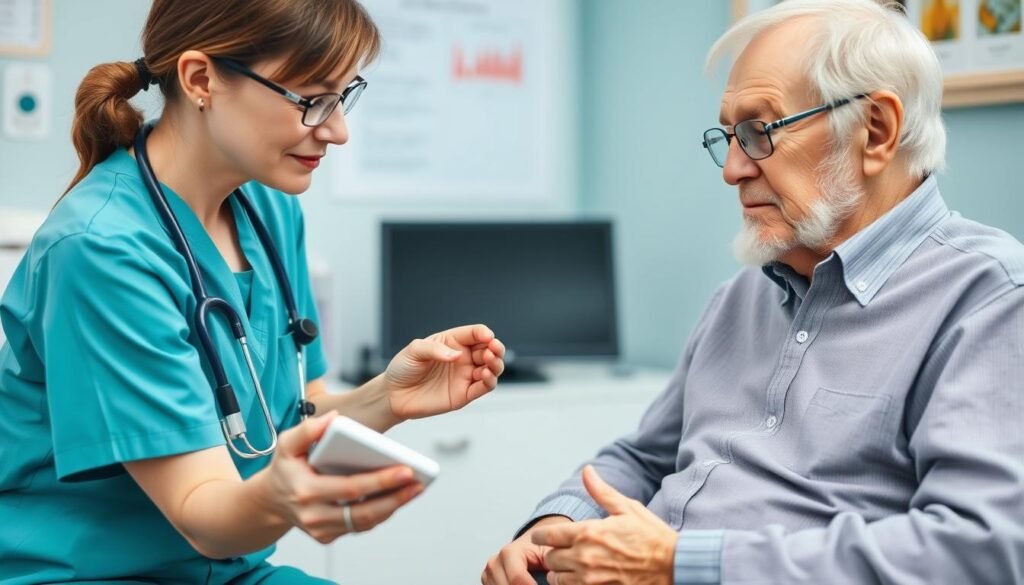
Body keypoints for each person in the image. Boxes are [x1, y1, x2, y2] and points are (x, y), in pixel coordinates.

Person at [482, 1, 1024, 584]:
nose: (732, 169)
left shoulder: (990, 299)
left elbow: (977, 551)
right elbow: (642, 458)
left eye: (759, 131)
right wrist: (553, 525)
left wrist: (678, 565)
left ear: (876, 131)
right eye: (729, 136)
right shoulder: (740, 297)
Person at [0, 0, 506, 583]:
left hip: (228, 572)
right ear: (200, 79)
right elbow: (204, 516)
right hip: (81, 574)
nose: (338, 130)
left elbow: (293, 419)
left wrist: (387, 397)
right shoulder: (101, 250)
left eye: (343, 96)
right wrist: (280, 498)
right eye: (312, 100)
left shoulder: (269, 210)